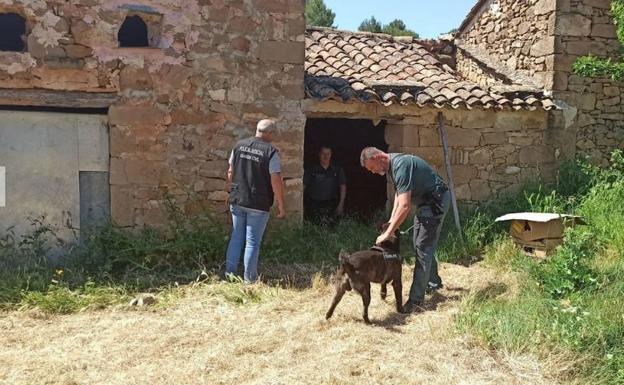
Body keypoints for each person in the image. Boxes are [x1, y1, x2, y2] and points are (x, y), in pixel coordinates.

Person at [360, 147, 450, 313]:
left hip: (435, 203)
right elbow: (398, 197)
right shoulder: (393, 166)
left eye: (373, 168)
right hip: (426, 203)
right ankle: (433, 282)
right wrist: (391, 223)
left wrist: (388, 233)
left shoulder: (400, 165)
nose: (373, 172)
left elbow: (405, 205)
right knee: (419, 244)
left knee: (423, 248)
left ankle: (416, 301)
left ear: (379, 157)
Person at [224, 119, 285, 283]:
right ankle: (249, 280)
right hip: (258, 202)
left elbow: (230, 171)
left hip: (237, 199)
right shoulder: (271, 151)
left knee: (236, 237)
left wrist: (231, 191)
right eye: (274, 134)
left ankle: (229, 274)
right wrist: (280, 203)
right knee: (252, 242)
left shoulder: (238, 145)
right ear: (270, 133)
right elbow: (275, 179)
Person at [303, 146, 347, 226]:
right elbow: (303, 186)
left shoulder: (337, 169)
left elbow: (343, 186)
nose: (326, 156)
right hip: (314, 204)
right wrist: (301, 205)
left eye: (328, 154)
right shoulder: (312, 169)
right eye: (323, 154)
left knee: (331, 227)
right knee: (315, 227)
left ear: (331, 155)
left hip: (332, 204)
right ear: (319, 154)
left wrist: (341, 204)